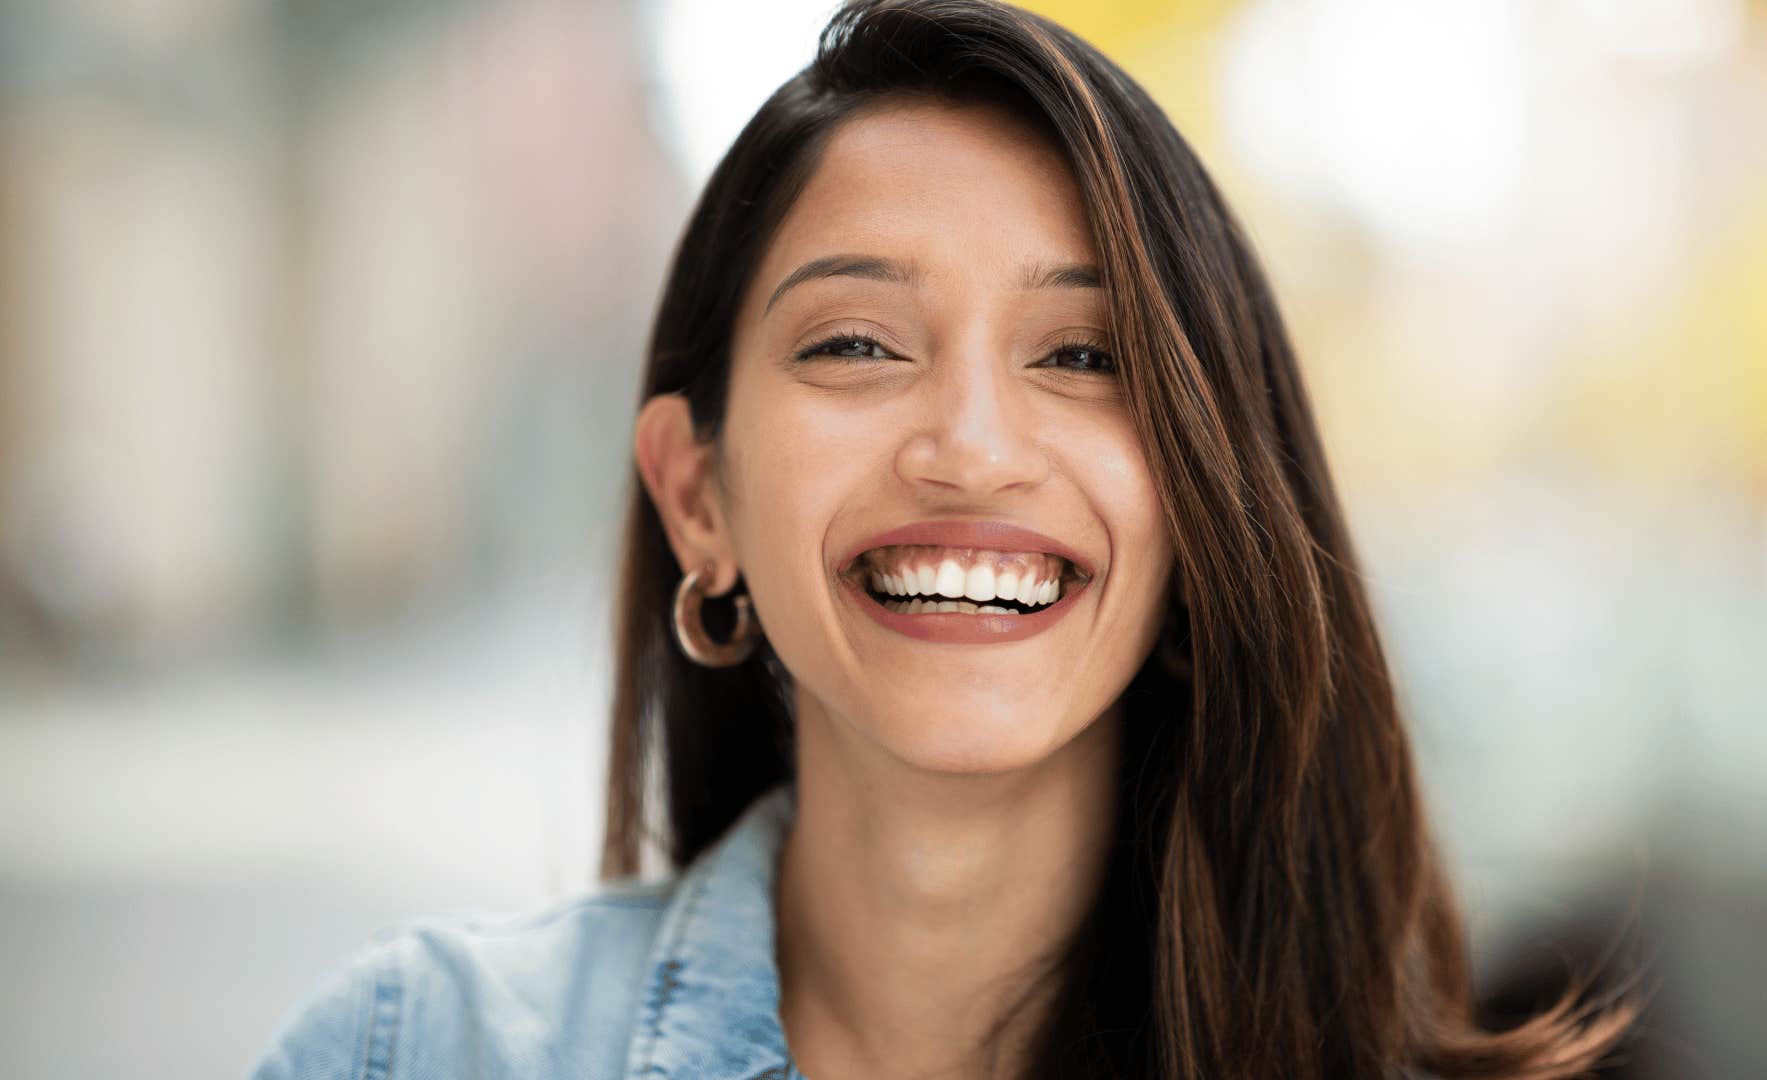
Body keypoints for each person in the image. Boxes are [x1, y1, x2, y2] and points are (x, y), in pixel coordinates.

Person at [251, 1, 1639, 1077]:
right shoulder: (413, 1048)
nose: (970, 445)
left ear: (1207, 500)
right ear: (698, 500)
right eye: (855, 343)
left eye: (1086, 355)